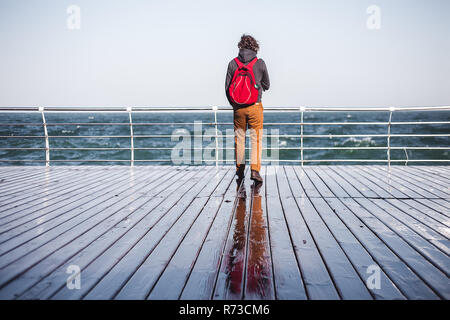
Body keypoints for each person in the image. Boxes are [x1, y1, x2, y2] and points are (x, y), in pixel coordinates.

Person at [225, 34, 270, 186]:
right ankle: (255, 171)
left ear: (240, 46)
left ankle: (239, 171)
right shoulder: (260, 63)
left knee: (239, 139)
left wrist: (236, 105)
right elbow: (267, 85)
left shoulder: (233, 63)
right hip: (255, 106)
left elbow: (227, 88)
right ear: (255, 47)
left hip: (238, 109)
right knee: (256, 139)